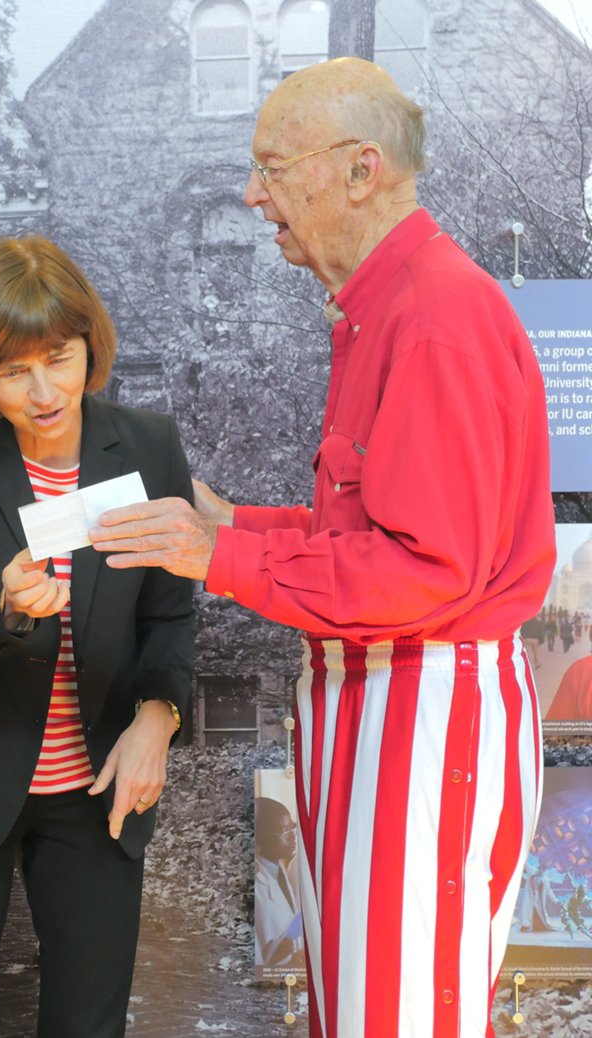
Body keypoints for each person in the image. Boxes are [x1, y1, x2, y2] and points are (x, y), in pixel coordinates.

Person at [90, 58, 555, 1038]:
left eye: (271, 165)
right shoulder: (392, 309)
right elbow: (375, 533)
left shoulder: (433, 320)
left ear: (360, 171)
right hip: (394, 709)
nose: (253, 194)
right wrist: (232, 528)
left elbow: (426, 572)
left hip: (420, 718)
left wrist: (219, 558)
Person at [0, 236, 196, 1037]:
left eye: (60, 357)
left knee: (90, 1023)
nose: (45, 390)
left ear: (90, 343)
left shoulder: (148, 446)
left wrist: (157, 721)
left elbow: (169, 613)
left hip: (96, 790)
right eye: (13, 371)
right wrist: (4, 606)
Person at [254, 797, 304, 969]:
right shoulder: (255, 886)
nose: (293, 837)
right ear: (258, 840)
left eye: (293, 828)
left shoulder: (278, 871)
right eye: (285, 832)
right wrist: (285, 964)